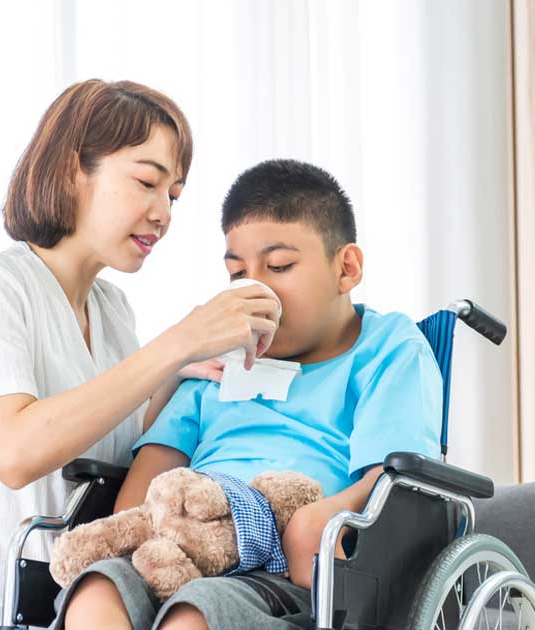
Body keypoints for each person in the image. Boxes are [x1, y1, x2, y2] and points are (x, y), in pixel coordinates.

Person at [0, 80, 281, 630]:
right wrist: (174, 343)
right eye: (147, 182)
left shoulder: (112, 310)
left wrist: (179, 374)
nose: (163, 213)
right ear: (72, 170)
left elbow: (116, 454)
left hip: (66, 608)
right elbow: (14, 452)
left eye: (173, 195)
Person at [55, 159, 443, 630]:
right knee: (96, 591)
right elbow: (142, 491)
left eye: (279, 266)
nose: (255, 289)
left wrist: (308, 527)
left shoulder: (387, 348)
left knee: (195, 612)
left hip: (285, 577)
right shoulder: (217, 357)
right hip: (174, 551)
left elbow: (393, 485)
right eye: (238, 274)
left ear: (347, 268)